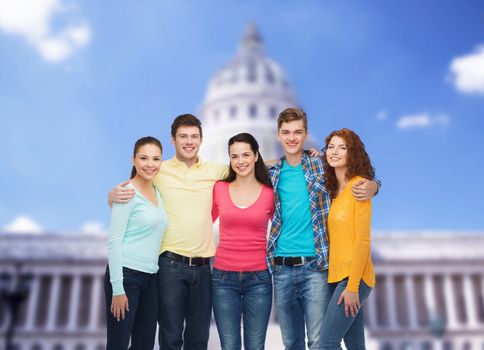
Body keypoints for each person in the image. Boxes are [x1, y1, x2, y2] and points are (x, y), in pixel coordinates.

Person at [109, 114, 228, 350]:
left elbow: (248, 166)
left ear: (202, 140)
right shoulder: (158, 169)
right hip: (170, 266)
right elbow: (131, 190)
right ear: (173, 140)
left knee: (198, 340)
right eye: (183, 136)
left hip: (204, 268)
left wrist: (300, 156)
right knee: (171, 337)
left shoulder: (215, 170)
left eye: (194, 136)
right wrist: (111, 197)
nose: (189, 141)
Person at [266, 108, 379, 350]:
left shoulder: (338, 177)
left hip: (322, 268)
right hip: (289, 268)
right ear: (277, 136)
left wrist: (374, 184)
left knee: (323, 343)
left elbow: (362, 240)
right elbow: (242, 164)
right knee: (349, 345)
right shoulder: (277, 173)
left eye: (298, 132)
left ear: (306, 134)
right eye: (286, 132)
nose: (292, 137)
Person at [211, 133, 275, 350]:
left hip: (259, 279)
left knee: (256, 346)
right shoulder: (219, 188)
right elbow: (201, 222)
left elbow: (284, 228)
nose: (241, 161)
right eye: (234, 156)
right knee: (229, 346)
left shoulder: (270, 193)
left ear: (257, 155)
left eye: (246, 154)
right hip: (222, 279)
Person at [105, 136, 168, 349]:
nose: (150, 164)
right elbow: (114, 242)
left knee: (144, 344)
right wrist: (118, 289)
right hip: (126, 276)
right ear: (133, 160)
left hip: (151, 279)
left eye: (156, 159)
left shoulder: (157, 193)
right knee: (119, 344)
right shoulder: (126, 192)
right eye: (144, 158)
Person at [319, 128, 375, 350]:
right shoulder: (334, 191)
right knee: (355, 345)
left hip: (354, 278)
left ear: (353, 154)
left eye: (342, 148)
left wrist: (352, 287)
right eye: (331, 147)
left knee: (327, 343)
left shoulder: (360, 186)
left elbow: (362, 240)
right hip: (336, 276)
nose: (335, 152)